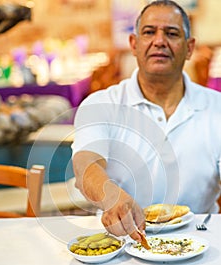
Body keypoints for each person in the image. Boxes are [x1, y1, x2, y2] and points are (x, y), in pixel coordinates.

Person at [72, 0, 221, 243]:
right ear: (134, 44)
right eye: (149, 32)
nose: (159, 41)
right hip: (123, 241)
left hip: (203, 242)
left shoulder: (217, 108)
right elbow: (85, 165)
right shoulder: (100, 105)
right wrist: (113, 198)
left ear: (190, 47)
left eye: (172, 33)